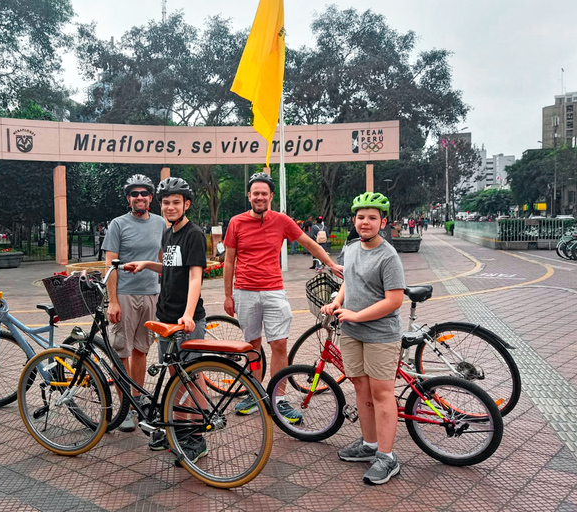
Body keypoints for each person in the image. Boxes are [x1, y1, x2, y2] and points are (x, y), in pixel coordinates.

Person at [223, 172, 341, 420]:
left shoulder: (282, 221)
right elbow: (229, 261)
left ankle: (279, 398)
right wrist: (227, 296)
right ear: (249, 195)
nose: (259, 197)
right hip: (244, 292)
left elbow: (309, 243)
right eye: (255, 193)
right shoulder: (236, 222)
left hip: (274, 291)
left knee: (279, 345)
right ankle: (254, 393)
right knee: (252, 345)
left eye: (264, 193)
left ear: (271, 196)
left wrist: (330, 264)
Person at [321, 191, 405, 485]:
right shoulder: (353, 248)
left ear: (383, 222)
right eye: (360, 217)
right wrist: (336, 302)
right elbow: (349, 280)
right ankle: (369, 445)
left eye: (372, 218)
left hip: (381, 335)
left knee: (382, 394)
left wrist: (356, 314)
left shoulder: (388, 256)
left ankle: (387, 457)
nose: (365, 223)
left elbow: (394, 301)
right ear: (354, 221)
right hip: (352, 333)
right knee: (360, 389)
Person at [123, 177, 209, 462]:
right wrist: (147, 264)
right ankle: (178, 429)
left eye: (176, 202)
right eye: (166, 203)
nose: (170, 207)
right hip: (165, 316)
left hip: (186, 320)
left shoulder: (193, 234)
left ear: (186, 204)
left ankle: (196, 436)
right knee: (176, 376)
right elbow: (172, 267)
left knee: (192, 377)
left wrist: (188, 314)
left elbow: (195, 276)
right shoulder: (168, 232)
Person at [102, 174, 166, 433]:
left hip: (151, 295)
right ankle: (124, 408)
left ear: (151, 197)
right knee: (121, 352)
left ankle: (138, 402)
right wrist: (113, 301)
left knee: (141, 350)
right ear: (129, 198)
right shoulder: (118, 224)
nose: (139, 197)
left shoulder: (161, 223)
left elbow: (164, 262)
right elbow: (110, 265)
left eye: (144, 193)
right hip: (126, 296)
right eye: (134, 194)